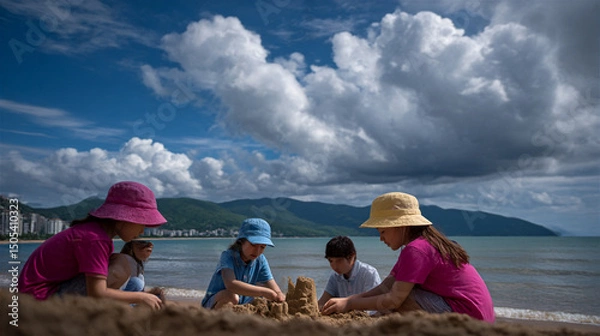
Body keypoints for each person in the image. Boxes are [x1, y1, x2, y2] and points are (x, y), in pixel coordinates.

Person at [322, 192, 495, 323]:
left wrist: (350, 305)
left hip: (470, 319)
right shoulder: (421, 245)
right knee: (396, 294)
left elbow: (393, 300)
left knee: (401, 299)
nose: (381, 238)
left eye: (383, 231)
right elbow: (384, 287)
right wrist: (348, 300)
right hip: (477, 314)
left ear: (400, 225)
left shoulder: (416, 250)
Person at [18, 181, 167, 310]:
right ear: (123, 219)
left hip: (41, 294)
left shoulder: (94, 233)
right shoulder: (95, 239)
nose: (143, 230)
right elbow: (97, 293)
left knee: (129, 275)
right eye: (142, 222)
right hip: (38, 302)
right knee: (122, 263)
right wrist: (141, 298)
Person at [201, 218, 286, 309]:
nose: (257, 251)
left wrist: (279, 296)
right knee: (232, 297)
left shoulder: (260, 260)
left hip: (241, 305)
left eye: (262, 247)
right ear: (241, 241)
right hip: (214, 305)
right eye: (253, 245)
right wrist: (264, 292)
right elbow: (231, 284)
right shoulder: (228, 256)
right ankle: (218, 321)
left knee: (263, 295)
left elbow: (274, 288)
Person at [317, 236, 381, 311]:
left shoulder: (368, 273)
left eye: (339, 261)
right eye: (331, 261)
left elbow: (375, 303)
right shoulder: (335, 276)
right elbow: (323, 301)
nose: (334, 266)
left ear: (351, 256)